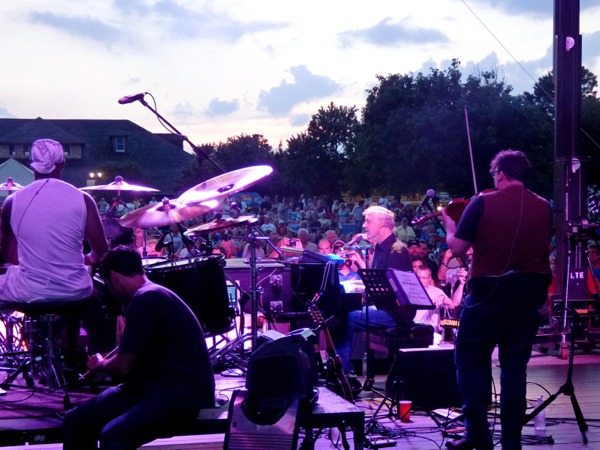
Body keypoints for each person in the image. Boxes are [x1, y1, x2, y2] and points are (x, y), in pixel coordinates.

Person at [440, 150, 552, 450]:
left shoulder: (482, 202)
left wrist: (450, 227)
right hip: (529, 295)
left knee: (468, 361)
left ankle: (477, 434)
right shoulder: (544, 206)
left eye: (494, 175)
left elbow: (458, 248)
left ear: (501, 174)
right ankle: (511, 442)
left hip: (489, 292)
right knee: (514, 369)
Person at [62, 247, 215, 450]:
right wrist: (110, 362)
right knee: (75, 421)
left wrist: (99, 364)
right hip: (151, 387)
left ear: (113, 276)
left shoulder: (145, 299)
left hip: (178, 394)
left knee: (114, 437)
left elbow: (123, 366)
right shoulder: (151, 295)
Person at [0, 139, 108, 302]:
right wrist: (88, 259)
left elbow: (9, 255)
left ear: (32, 164)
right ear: (63, 164)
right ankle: (75, 321)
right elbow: (102, 253)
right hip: (76, 290)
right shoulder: (84, 199)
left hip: (28, 291)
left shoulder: (11, 202)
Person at [339, 206, 413, 380]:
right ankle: (342, 369)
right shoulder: (380, 249)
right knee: (341, 310)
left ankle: (344, 372)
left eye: (368, 221)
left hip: (396, 312)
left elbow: (394, 290)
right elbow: (377, 284)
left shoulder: (396, 250)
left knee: (347, 316)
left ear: (381, 223)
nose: (364, 225)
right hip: (383, 306)